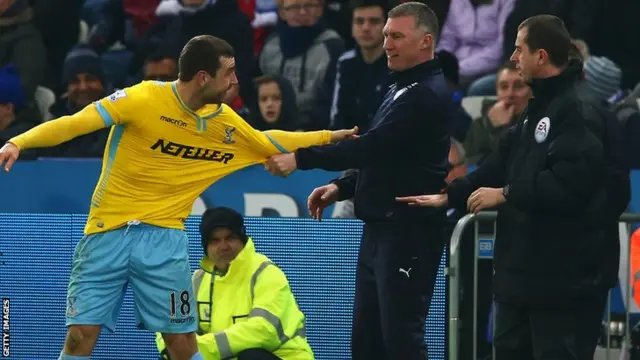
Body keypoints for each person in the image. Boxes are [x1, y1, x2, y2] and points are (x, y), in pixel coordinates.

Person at [0, 35, 357, 360]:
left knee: (182, 344)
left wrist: (329, 136)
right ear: (203, 77)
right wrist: (20, 141)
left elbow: (272, 141)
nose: (236, 81)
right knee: (80, 336)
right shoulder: (141, 98)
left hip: (165, 244)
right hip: (105, 235)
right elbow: (75, 122)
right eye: (229, 73)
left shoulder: (224, 123)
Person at [397, 15, 630, 360]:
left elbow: (570, 185)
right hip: (522, 277)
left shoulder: (579, 110)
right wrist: (449, 195)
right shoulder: (537, 108)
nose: (513, 58)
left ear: (541, 56)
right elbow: (496, 166)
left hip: (566, 281)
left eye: (519, 49)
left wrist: (505, 195)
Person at [265, 3, 454, 359]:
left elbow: (372, 146)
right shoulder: (402, 87)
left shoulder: (425, 94)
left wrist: (301, 157)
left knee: (400, 343)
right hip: (380, 229)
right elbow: (384, 154)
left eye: (396, 36)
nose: (386, 44)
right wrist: (343, 187)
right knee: (367, 344)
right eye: (386, 36)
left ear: (426, 41)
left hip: (407, 230)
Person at [155, 207, 313, 360]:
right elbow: (169, 326)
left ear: (242, 240)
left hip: (281, 356)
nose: (224, 246)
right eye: (215, 240)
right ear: (206, 247)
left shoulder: (266, 272)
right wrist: (175, 348)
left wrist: (195, 348)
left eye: (230, 238)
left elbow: (264, 332)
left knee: (251, 356)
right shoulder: (196, 280)